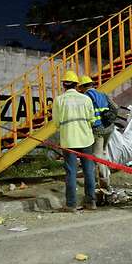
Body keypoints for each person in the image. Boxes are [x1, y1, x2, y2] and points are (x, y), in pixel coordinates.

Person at [52, 70, 97, 211]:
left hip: (69, 141)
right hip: (86, 139)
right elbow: (91, 119)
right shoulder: (86, 99)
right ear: (77, 85)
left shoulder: (59, 100)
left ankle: (71, 204)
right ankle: (91, 202)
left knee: (71, 172)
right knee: (89, 171)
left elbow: (56, 123)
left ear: (64, 85)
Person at [77, 75, 118, 190]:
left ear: (83, 87)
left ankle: (105, 183)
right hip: (109, 128)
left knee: (97, 156)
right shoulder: (102, 94)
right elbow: (115, 107)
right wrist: (110, 118)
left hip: (97, 130)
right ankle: (105, 178)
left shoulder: (85, 97)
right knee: (104, 153)